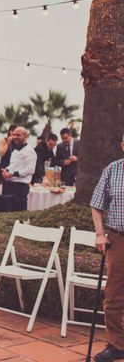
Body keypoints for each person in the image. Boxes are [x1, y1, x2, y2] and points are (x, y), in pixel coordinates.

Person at [91, 137, 124, 362]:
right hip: (119, 239)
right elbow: (96, 204)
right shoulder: (113, 170)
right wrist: (100, 234)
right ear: (123, 145)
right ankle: (116, 344)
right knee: (114, 294)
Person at [1, 127, 37, 210]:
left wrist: (13, 174)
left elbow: (31, 170)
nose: (15, 137)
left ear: (25, 137)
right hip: (10, 186)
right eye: (14, 135)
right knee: (7, 212)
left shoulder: (30, 151)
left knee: (20, 214)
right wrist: (6, 170)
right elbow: (13, 166)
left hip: (20, 188)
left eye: (18, 135)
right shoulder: (15, 150)